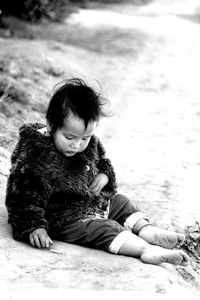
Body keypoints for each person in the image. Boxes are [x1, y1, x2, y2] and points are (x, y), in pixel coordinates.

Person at [5, 78, 189, 266]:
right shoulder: (35, 157)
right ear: (52, 126)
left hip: (91, 203)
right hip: (65, 219)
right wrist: (33, 226)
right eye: (69, 137)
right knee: (105, 228)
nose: (77, 145)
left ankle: (147, 230)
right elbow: (21, 198)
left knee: (121, 202)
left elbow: (102, 161)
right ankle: (146, 249)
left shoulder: (88, 143)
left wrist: (105, 175)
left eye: (85, 138)